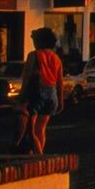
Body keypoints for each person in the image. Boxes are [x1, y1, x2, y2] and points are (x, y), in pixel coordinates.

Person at [17, 27, 65, 155]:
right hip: (52, 96)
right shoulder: (56, 58)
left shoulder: (34, 55)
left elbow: (27, 77)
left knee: (30, 130)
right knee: (41, 129)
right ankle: (40, 151)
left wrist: (22, 97)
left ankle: (39, 157)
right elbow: (60, 82)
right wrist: (61, 101)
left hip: (37, 94)